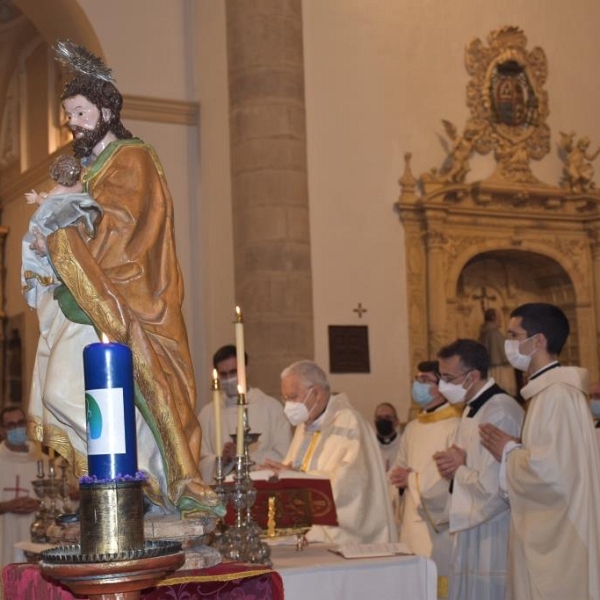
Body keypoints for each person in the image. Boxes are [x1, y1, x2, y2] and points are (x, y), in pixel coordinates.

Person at [27, 41, 221, 517]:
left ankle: (143, 484)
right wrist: (51, 237)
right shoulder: (89, 170)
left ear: (107, 110)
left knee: (102, 393)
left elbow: (126, 227)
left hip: (124, 298)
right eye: (69, 115)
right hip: (87, 294)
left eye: (81, 112)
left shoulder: (132, 158)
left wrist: (63, 231)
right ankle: (120, 482)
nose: (74, 123)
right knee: (62, 395)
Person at [479, 303, 600, 600]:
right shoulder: (547, 393)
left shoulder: (558, 395)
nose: (508, 343)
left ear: (539, 340)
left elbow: (552, 475)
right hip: (555, 530)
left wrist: (509, 451)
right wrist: (516, 449)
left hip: (562, 540)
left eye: (514, 334)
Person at [265, 360, 396, 545]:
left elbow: (352, 489)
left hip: (339, 541)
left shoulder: (349, 423)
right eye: (285, 398)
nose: (288, 405)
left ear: (316, 393)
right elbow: (294, 470)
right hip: (305, 534)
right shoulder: (306, 425)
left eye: (293, 397)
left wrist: (299, 478)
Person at [433, 339, 523, 600]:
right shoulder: (473, 408)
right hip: (473, 528)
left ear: (472, 376)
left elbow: (496, 488)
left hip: (495, 531)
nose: (442, 385)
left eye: (448, 377)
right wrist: (454, 466)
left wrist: (458, 470)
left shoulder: (501, 411)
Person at [389, 360, 462, 597]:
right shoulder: (411, 428)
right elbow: (398, 471)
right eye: (416, 379)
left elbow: (447, 478)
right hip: (410, 522)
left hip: (438, 528)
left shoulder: (456, 425)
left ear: (441, 386)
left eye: (424, 380)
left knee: (438, 585)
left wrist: (411, 479)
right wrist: (399, 482)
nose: (417, 385)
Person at [198, 345, 291, 481]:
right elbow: (198, 461)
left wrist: (244, 457)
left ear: (246, 370)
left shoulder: (271, 408)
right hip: (221, 494)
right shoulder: (207, 414)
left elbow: (284, 454)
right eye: (223, 374)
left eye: (233, 372)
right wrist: (221, 459)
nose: (229, 378)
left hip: (261, 488)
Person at [22, 154, 102, 309]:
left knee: (29, 244)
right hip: (67, 224)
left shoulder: (59, 190)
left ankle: (44, 279)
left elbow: (49, 204)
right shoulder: (80, 186)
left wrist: (37, 198)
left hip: (53, 224)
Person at [0, 406, 44, 567]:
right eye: (11, 425)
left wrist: (39, 504)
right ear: (2, 430)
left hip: (34, 538)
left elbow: (59, 502)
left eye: (20, 423)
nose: (16, 428)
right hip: (3, 536)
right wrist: (6, 506)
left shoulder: (42, 462)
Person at [478, 307, 516, 396]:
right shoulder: (494, 334)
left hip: (490, 370)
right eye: (498, 316)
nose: (501, 319)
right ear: (493, 318)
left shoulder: (484, 333)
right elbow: (504, 354)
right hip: (499, 370)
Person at [373, 402, 402, 471]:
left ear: (397, 422)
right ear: (374, 422)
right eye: (379, 418)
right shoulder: (368, 446)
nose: (383, 421)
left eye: (388, 417)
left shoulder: (405, 445)